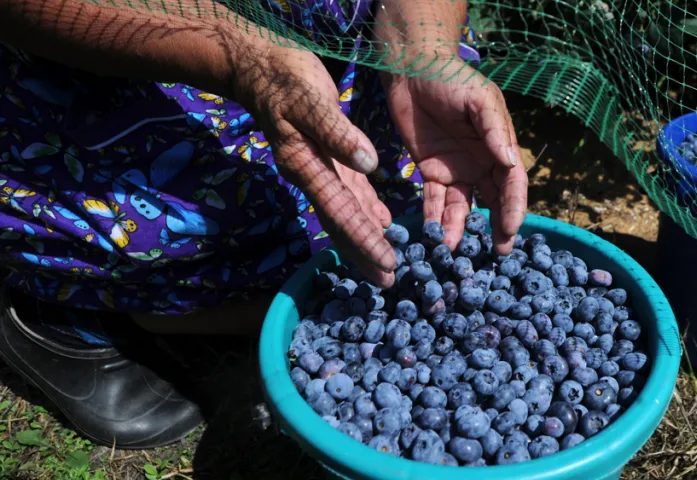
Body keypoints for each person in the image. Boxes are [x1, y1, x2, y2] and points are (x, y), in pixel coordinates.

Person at [0, 0, 527, 449]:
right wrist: (244, 59)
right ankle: (66, 307)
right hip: (128, 55)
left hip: (327, 40)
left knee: (408, 200)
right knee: (178, 223)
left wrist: (420, 51)